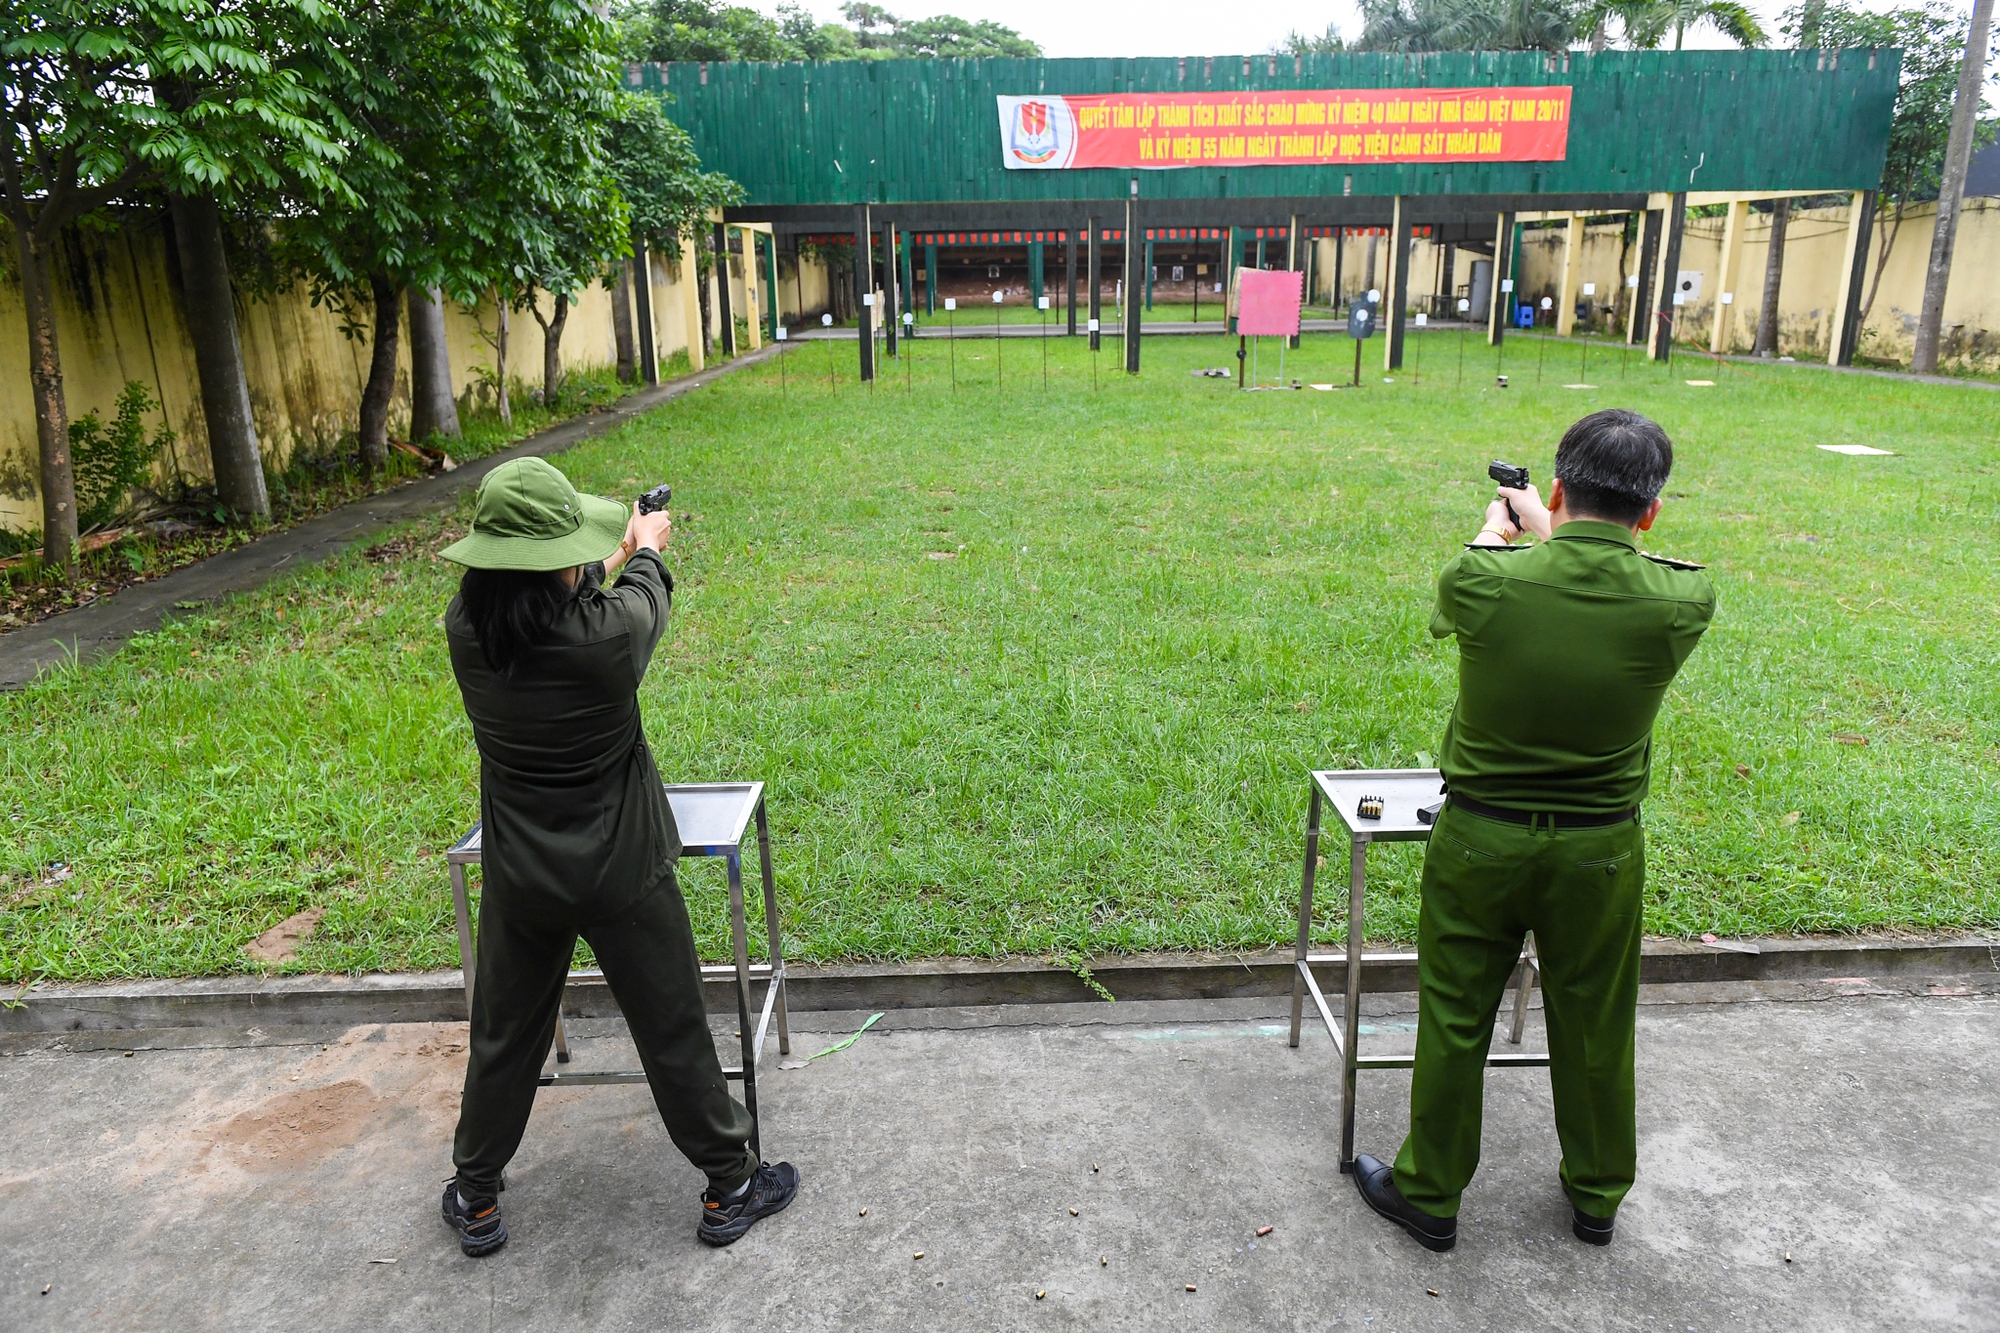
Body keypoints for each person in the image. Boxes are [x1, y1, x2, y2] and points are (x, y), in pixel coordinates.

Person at [1352, 409, 1716, 1253]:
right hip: (1601, 849)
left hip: (1481, 837)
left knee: (1454, 1015)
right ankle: (1596, 1195)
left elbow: (1477, 585)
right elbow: (1596, 575)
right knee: (1594, 1022)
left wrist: (1498, 526)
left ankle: (1431, 1193)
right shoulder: (1684, 597)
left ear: (1556, 487)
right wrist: (1555, 530)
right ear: (1652, 513)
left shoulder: (1484, 579)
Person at [436, 456, 797, 1257]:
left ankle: (477, 1194)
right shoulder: (607, 638)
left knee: (503, 1037)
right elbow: (643, 596)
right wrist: (649, 546)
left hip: (522, 875)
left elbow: (543, 594)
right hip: (622, 870)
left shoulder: (466, 631)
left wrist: (611, 550)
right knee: (671, 1029)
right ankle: (730, 1185)